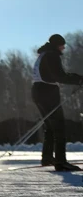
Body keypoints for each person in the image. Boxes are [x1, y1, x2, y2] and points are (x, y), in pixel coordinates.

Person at [32, 34, 83, 171]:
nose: (63, 47)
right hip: (47, 92)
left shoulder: (44, 54)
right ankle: (61, 162)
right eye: (62, 45)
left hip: (38, 91)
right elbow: (59, 76)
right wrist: (78, 80)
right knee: (59, 127)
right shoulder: (51, 56)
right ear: (56, 45)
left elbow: (58, 75)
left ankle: (48, 157)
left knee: (50, 127)